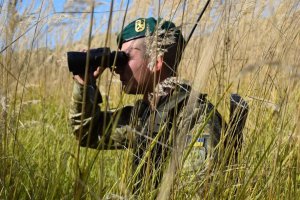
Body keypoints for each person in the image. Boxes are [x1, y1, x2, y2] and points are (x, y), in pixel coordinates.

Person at [69, 17, 224, 196]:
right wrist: (85, 85)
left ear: (156, 61)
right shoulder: (145, 114)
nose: (116, 68)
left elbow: (195, 193)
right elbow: (88, 133)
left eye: (124, 58)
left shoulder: (195, 116)